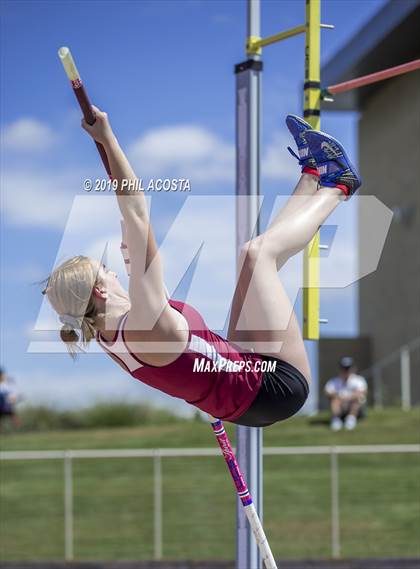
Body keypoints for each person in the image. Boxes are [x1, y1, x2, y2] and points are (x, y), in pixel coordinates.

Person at [42, 111, 361, 428]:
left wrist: (131, 248)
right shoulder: (145, 322)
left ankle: (311, 174)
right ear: (99, 290)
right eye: (106, 270)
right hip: (276, 386)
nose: (114, 273)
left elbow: (149, 291)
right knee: (257, 254)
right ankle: (338, 184)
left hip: (243, 385)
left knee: (255, 264)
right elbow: (137, 211)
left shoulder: (107, 334)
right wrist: (107, 139)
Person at [324, 357, 368, 431]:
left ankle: (351, 419)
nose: (346, 371)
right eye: (344, 368)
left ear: (353, 369)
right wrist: (338, 397)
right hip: (340, 406)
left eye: (348, 368)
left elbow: (363, 392)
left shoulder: (358, 379)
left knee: (357, 399)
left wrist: (347, 397)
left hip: (356, 407)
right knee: (334, 400)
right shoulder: (334, 381)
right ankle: (336, 420)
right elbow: (327, 391)